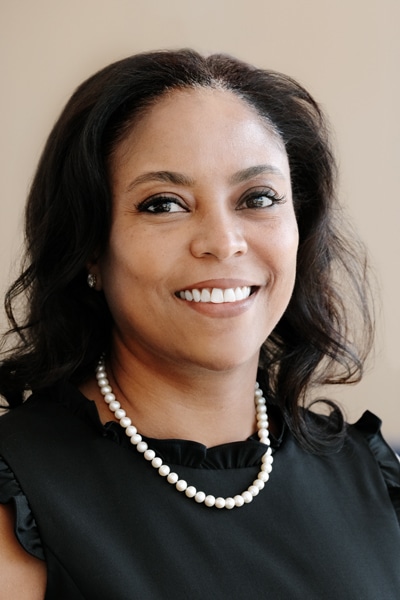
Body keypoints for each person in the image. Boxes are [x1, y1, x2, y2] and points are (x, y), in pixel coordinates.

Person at [0, 49, 399, 600]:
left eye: (258, 198)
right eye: (164, 204)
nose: (223, 242)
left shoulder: (371, 476)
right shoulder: (19, 497)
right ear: (90, 245)